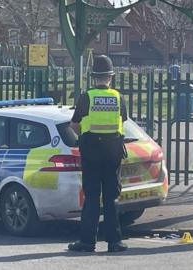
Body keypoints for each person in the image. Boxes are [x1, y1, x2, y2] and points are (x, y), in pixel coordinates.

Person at [68, 55, 128, 253]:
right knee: (111, 198)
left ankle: (87, 242)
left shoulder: (87, 97)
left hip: (92, 152)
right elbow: (123, 121)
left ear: (94, 77)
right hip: (113, 154)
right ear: (110, 77)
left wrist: (85, 135)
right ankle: (115, 242)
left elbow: (74, 125)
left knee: (92, 197)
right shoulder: (118, 97)